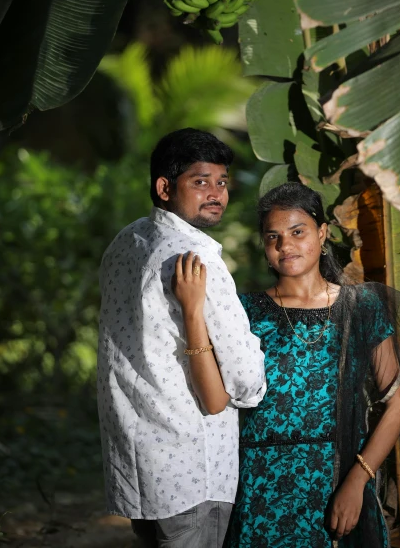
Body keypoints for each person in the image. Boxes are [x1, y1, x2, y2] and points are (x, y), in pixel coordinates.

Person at [175, 181, 400, 548]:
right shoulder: (244, 311)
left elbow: (397, 406)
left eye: (297, 232)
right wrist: (193, 312)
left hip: (337, 479)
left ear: (322, 234)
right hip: (260, 484)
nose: (285, 245)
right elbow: (215, 399)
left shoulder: (361, 308)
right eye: (272, 236)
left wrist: (358, 480)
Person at [96, 128, 266, 548]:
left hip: (139, 462)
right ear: (165, 187)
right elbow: (245, 382)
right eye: (200, 181)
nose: (216, 194)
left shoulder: (127, 242)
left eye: (222, 182)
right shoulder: (196, 257)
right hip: (193, 464)